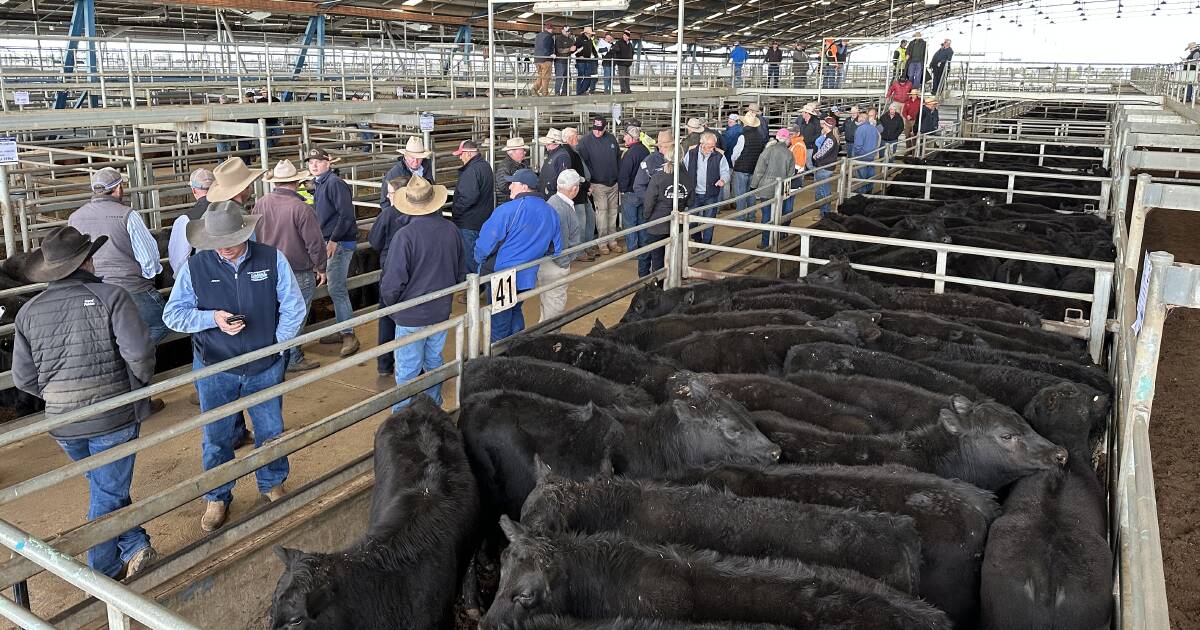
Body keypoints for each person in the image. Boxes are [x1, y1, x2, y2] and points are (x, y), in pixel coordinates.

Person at [12, 226, 158, 579]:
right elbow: (139, 354)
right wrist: (134, 388)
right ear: (88, 261)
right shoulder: (113, 297)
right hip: (112, 417)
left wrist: (58, 398)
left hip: (62, 425)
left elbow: (23, 378)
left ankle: (136, 544)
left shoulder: (27, 312)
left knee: (105, 487)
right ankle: (102, 571)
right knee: (107, 495)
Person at [162, 200, 306, 532]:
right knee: (216, 435)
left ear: (246, 232)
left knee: (270, 430)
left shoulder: (271, 259)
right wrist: (211, 319)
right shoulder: (195, 268)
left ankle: (271, 482)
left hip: (264, 364)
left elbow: (293, 306)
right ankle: (218, 495)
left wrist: (276, 345)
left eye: (230, 241)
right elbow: (172, 315)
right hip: (215, 366)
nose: (224, 249)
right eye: (216, 243)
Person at [378, 175, 465, 410]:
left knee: (407, 368)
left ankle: (403, 417)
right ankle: (433, 408)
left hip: (410, 314)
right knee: (434, 361)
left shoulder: (404, 236)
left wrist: (393, 305)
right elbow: (460, 274)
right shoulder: (451, 230)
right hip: (440, 310)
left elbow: (392, 283)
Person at [67, 167, 168, 344]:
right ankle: (132, 357)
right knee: (163, 324)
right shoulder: (128, 215)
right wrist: (148, 278)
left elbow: (73, 255)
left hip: (90, 289)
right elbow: (149, 259)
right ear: (119, 188)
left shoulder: (74, 218)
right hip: (130, 288)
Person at [251, 159, 328, 373]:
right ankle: (291, 356)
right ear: (296, 182)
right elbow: (315, 243)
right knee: (296, 313)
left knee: (274, 312)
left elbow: (255, 237)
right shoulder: (301, 208)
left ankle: (273, 354)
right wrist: (321, 267)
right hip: (297, 270)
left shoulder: (260, 203)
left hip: (267, 269)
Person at [474, 169, 562, 341]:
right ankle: (518, 351)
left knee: (500, 321)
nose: (510, 187)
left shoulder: (508, 210)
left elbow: (484, 245)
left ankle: (500, 359)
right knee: (515, 311)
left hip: (503, 276)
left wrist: (479, 261)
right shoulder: (550, 211)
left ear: (523, 186)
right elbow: (555, 249)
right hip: (528, 274)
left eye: (513, 183)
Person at [306, 147, 360, 358]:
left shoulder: (334, 184)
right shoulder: (321, 184)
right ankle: (343, 328)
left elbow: (346, 215)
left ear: (328, 163)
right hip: (330, 239)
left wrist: (334, 240)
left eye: (318, 161)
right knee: (335, 287)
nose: (314, 165)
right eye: (311, 162)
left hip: (338, 242)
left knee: (337, 288)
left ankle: (348, 334)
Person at [368, 174, 411, 376]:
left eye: (391, 192)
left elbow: (374, 241)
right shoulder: (421, 213)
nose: (387, 196)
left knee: (387, 317)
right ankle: (412, 363)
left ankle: (385, 364)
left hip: (390, 270)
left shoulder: (387, 214)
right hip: (415, 272)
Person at [541, 169, 584, 322]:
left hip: (549, 262)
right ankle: (549, 342)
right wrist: (564, 263)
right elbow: (561, 241)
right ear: (574, 189)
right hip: (556, 264)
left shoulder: (553, 201)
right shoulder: (561, 208)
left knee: (548, 304)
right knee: (555, 308)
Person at [577, 117, 622, 253]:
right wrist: (588, 182)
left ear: (605, 128)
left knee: (613, 212)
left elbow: (618, 157)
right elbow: (582, 163)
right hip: (597, 184)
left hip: (613, 182)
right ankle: (602, 243)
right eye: (595, 130)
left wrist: (618, 177)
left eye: (600, 130)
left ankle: (612, 241)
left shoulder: (611, 139)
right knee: (602, 213)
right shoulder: (585, 141)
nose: (597, 132)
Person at [450, 140, 495, 272]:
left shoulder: (471, 171)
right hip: (483, 220)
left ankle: (476, 287)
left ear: (469, 154)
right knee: (481, 254)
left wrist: (456, 213)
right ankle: (482, 284)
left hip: (468, 223)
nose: (460, 157)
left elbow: (468, 197)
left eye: (461, 154)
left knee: (470, 258)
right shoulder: (486, 166)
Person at [632, 130, 671, 277]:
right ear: (660, 147)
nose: (669, 148)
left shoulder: (675, 160)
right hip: (652, 211)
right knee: (648, 245)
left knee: (665, 247)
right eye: (667, 146)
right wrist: (651, 202)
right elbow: (639, 186)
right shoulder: (649, 161)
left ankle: (663, 276)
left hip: (668, 212)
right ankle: (643, 277)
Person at [681, 131, 730, 245]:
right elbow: (684, 169)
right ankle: (697, 240)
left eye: (714, 146)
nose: (713, 149)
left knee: (709, 222)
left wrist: (723, 180)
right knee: (692, 221)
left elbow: (725, 171)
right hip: (694, 193)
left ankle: (706, 246)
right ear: (702, 144)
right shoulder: (691, 153)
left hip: (711, 193)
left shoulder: (719, 156)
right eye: (710, 146)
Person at [750, 128, 796, 249]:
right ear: (787, 139)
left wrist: (754, 186)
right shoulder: (789, 153)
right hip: (781, 188)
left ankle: (766, 243)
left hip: (766, 187)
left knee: (766, 215)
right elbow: (791, 174)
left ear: (777, 137)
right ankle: (777, 238)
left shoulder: (768, 150)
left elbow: (759, 170)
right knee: (778, 213)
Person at [169, 168, 215, 275]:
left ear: (193, 190)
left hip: (202, 274)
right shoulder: (228, 209)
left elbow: (178, 259)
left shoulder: (186, 219)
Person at [642, 158, 685, 273]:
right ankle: (673, 283)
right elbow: (690, 201)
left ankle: (659, 286)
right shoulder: (686, 177)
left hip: (657, 225)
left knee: (657, 258)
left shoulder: (658, 177)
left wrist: (647, 217)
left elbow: (649, 201)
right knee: (674, 256)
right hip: (676, 225)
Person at [561, 128, 596, 259]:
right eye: (576, 137)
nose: (578, 139)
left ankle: (586, 246)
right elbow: (573, 175)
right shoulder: (568, 153)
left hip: (581, 191)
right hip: (576, 192)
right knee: (580, 222)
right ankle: (579, 251)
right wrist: (586, 185)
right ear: (569, 139)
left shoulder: (573, 151)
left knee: (589, 218)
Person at [618, 125, 650, 255]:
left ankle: (632, 249)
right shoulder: (645, 150)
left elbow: (624, 174)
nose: (624, 137)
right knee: (642, 220)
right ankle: (643, 247)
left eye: (625, 135)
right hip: (644, 192)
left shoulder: (629, 154)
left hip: (630, 192)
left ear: (631, 138)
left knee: (630, 222)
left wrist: (622, 189)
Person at [381, 136, 434, 214]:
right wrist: (393, 220)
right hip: (402, 218)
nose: (415, 161)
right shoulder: (395, 173)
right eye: (412, 157)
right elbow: (385, 202)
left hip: (424, 214)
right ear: (405, 156)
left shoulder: (427, 167)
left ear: (423, 157)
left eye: (419, 158)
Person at [729, 112, 765, 218]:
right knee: (751, 193)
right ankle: (751, 216)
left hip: (741, 168)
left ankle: (740, 217)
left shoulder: (743, 137)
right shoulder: (760, 136)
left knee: (740, 194)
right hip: (754, 167)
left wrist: (734, 164)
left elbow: (735, 155)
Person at [811, 116, 841, 216]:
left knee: (823, 191)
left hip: (825, 167)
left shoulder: (830, 139)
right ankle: (824, 213)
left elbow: (822, 152)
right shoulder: (831, 137)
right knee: (824, 189)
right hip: (827, 167)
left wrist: (815, 156)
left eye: (823, 124)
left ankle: (825, 214)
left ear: (826, 126)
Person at [850, 110, 882, 193]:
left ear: (862, 119)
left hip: (862, 157)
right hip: (871, 156)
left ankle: (862, 194)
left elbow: (858, 145)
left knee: (861, 177)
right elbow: (878, 142)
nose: (858, 119)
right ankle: (869, 192)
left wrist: (857, 154)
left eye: (859, 117)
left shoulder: (860, 129)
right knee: (870, 175)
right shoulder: (874, 129)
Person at [537, 128, 572, 198]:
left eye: (548, 143)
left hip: (552, 194)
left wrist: (549, 187)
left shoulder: (562, 156)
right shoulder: (555, 153)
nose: (546, 145)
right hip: (548, 193)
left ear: (555, 143)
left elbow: (563, 178)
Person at [494, 137, 529, 206]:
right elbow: (503, 186)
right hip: (509, 202)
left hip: (517, 200)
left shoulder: (523, 163)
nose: (525, 152)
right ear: (512, 152)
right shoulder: (504, 166)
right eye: (522, 150)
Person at [532, 22, 555, 96]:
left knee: (541, 76)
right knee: (546, 76)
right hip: (545, 60)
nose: (551, 30)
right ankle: (545, 92)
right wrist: (551, 54)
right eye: (551, 29)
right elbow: (545, 47)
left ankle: (535, 89)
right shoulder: (549, 36)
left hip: (537, 59)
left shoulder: (538, 36)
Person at [574, 26, 599, 95]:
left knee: (587, 76)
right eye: (590, 33)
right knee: (581, 76)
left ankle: (582, 90)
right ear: (586, 33)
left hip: (588, 60)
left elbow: (593, 49)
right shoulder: (579, 39)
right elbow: (575, 49)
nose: (591, 34)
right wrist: (578, 56)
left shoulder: (590, 40)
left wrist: (596, 56)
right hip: (581, 61)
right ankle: (579, 91)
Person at [553, 25, 575, 96]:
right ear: (562, 30)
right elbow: (559, 50)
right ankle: (557, 92)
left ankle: (564, 92)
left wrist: (575, 50)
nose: (568, 32)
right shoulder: (558, 39)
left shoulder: (571, 40)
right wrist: (569, 49)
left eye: (569, 31)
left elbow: (572, 51)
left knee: (568, 78)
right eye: (566, 31)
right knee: (559, 78)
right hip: (559, 61)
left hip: (567, 61)